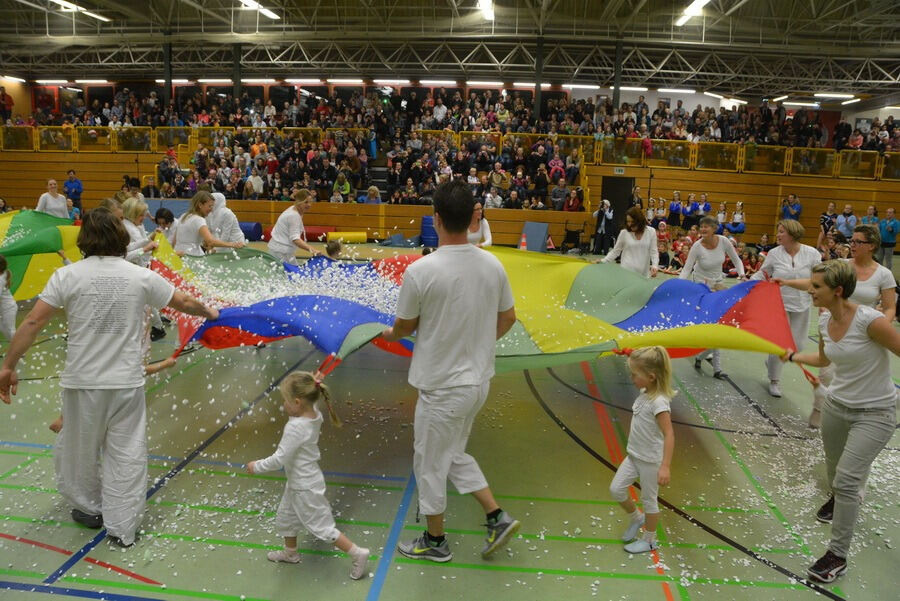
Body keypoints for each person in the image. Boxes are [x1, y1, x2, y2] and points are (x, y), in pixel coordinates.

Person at [0, 207, 219, 548]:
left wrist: (8, 366)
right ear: (120, 237)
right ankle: (123, 528)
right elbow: (184, 301)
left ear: (84, 239)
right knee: (127, 453)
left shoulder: (68, 275)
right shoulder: (139, 276)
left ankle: (89, 508)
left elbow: (33, 323)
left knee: (79, 451)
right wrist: (210, 310)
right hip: (125, 383)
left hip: (82, 383)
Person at [381, 179, 519, 563]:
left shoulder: (422, 270)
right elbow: (508, 317)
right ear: (473, 218)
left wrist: (388, 331)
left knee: (429, 463)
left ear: (436, 219)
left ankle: (435, 540)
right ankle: (496, 516)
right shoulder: (493, 264)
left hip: (443, 387)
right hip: (477, 383)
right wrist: (477, 344)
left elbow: (404, 327)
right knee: (451, 453)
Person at [782, 260, 900, 583]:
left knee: (847, 479)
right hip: (837, 406)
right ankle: (841, 498)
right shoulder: (823, 320)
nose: (810, 290)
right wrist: (793, 356)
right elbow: (824, 358)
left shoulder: (870, 321)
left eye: (816, 286)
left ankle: (837, 555)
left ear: (837, 291)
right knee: (835, 471)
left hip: (875, 413)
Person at [245, 371, 370, 579]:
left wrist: (255, 466)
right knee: (286, 517)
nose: (284, 405)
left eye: (286, 401)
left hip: (305, 487)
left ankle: (358, 553)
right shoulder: (314, 413)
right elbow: (311, 400)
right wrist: (312, 383)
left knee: (322, 528)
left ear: (296, 402)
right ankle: (290, 553)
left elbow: (280, 459)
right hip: (298, 482)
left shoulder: (296, 427)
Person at [778, 224, 895, 427]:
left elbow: (890, 307)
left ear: (872, 246)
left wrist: (880, 327)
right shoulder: (840, 265)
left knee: (860, 377)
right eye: (852, 241)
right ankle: (821, 413)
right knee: (828, 373)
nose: (853, 244)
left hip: (866, 331)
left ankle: (863, 418)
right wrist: (787, 282)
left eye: (859, 241)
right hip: (835, 326)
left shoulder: (883, 274)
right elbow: (814, 283)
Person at [609, 346, 675, 554]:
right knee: (616, 489)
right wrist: (630, 354)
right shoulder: (646, 391)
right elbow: (643, 365)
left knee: (649, 501)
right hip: (634, 456)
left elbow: (669, 434)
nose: (631, 378)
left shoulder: (659, 403)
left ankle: (649, 540)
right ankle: (636, 518)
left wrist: (665, 466)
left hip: (650, 462)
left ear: (651, 377)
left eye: (635, 375)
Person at [751, 220, 821, 397]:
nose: (778, 235)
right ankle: (774, 380)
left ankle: (771, 361)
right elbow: (764, 272)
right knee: (780, 345)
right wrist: (750, 281)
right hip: (778, 304)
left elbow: (818, 278)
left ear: (792, 234)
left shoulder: (812, 253)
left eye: (782, 232)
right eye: (778, 231)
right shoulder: (774, 253)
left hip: (803, 304)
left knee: (797, 345)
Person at [680, 216, 745, 378]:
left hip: (718, 284)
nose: (703, 229)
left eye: (706, 226)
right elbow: (687, 269)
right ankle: (716, 367)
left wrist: (743, 275)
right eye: (701, 226)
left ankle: (702, 357)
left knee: (718, 324)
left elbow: (737, 260)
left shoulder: (724, 241)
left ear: (714, 228)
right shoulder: (696, 246)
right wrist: (678, 286)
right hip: (701, 286)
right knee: (712, 325)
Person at [172, 191, 245, 257]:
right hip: (192, 255)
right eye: (209, 206)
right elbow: (210, 241)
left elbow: (174, 240)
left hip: (179, 254)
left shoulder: (183, 216)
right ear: (200, 205)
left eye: (212, 206)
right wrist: (233, 244)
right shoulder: (199, 220)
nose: (211, 209)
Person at [601, 206, 659, 277]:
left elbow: (654, 252)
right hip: (626, 273)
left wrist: (655, 266)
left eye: (633, 222)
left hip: (644, 274)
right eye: (628, 221)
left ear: (639, 221)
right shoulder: (624, 233)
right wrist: (603, 261)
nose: (630, 224)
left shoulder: (651, 232)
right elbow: (615, 251)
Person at [268, 189, 320, 264]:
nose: (309, 205)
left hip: (280, 250)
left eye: (310, 202)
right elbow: (295, 239)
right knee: (293, 274)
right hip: (280, 252)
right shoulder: (294, 215)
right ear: (299, 202)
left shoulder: (294, 209)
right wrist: (313, 250)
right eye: (306, 202)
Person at [0, 255, 17, 342]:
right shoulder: (3, 273)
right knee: (3, 328)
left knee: (10, 330)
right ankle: (15, 347)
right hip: (5, 308)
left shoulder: (0, 279)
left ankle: (20, 351)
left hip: (9, 308)